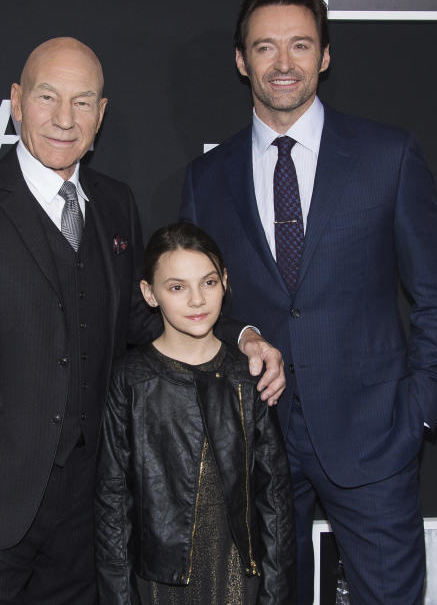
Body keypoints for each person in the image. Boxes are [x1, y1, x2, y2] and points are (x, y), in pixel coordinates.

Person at [0, 37, 285, 604]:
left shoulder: (115, 202)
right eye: (47, 97)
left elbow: (139, 316)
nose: (64, 118)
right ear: (15, 101)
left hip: (90, 507)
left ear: (101, 114)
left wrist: (242, 334)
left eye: (83, 102)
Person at [180, 0, 437, 604]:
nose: (283, 64)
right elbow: (195, 307)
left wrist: (416, 412)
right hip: (258, 436)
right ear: (241, 61)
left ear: (325, 56)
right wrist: (245, 334)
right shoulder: (207, 177)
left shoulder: (388, 156)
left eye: (300, 45)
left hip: (374, 436)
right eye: (265, 48)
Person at [96, 222, 296, 604]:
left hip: (239, 578)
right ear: (149, 293)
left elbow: (275, 504)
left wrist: (274, 595)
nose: (197, 300)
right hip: (159, 583)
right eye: (177, 287)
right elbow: (112, 506)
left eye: (208, 283)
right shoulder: (130, 379)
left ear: (224, 280)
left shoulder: (249, 375)